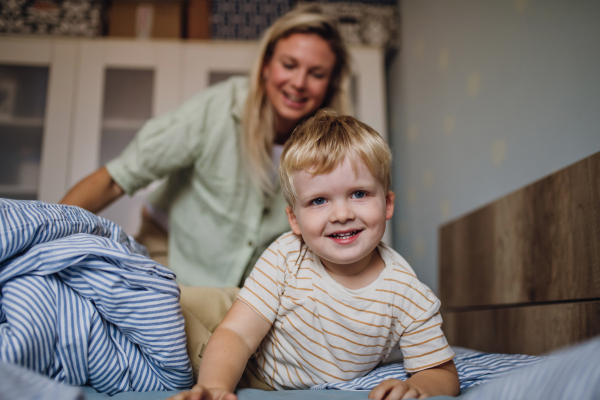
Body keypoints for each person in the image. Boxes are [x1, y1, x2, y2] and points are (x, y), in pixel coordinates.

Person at [171, 110, 460, 400]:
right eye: (319, 200)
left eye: (359, 193)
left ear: (387, 203)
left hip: (263, 325)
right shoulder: (287, 255)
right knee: (173, 310)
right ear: (294, 220)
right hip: (250, 347)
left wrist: (417, 389)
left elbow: (442, 373)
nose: (342, 214)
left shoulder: (406, 292)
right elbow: (237, 334)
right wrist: (213, 388)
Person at [59, 6, 351, 288]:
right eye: (289, 65)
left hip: (250, 278)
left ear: (331, 83)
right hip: (171, 249)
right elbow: (115, 179)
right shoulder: (215, 110)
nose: (299, 83)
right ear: (266, 66)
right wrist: (43, 236)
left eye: (316, 73)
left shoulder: (334, 147)